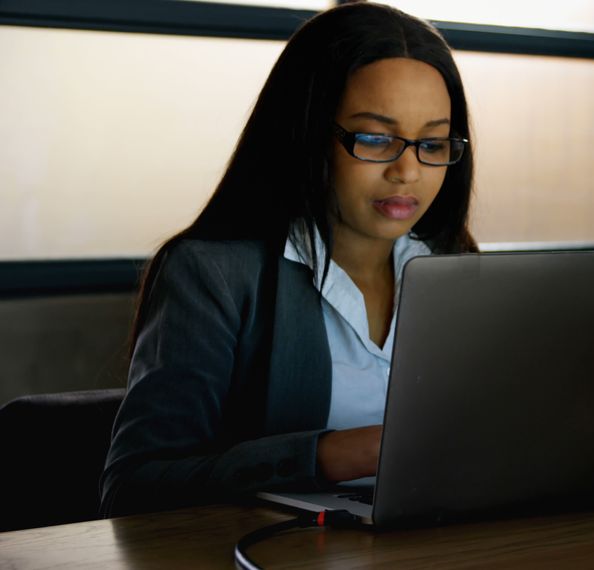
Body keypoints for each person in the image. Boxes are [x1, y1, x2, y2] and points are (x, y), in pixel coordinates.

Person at [101, 2, 476, 517]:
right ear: (306, 132)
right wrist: (328, 455)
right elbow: (134, 486)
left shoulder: (456, 266)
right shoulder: (216, 274)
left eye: (432, 143)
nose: (408, 171)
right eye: (373, 137)